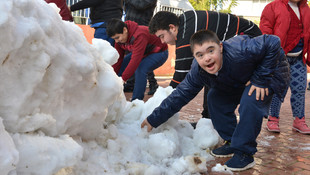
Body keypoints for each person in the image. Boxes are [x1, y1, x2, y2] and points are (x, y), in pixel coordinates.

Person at [141, 30, 290, 171]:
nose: (207, 58)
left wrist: (260, 79)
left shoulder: (239, 49)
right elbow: (180, 95)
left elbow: (273, 41)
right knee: (214, 98)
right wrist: (153, 120)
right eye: (200, 55)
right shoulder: (197, 71)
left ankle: (244, 153)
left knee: (250, 102)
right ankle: (232, 140)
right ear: (195, 57)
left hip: (269, 73)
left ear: (220, 47)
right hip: (239, 78)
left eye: (211, 51)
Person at [148, 10, 262, 125]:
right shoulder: (186, 20)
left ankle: (215, 123)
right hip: (247, 38)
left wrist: (163, 102)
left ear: (172, 28)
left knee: (216, 81)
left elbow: (180, 76)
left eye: (162, 36)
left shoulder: (185, 34)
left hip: (249, 43)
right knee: (209, 72)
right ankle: (209, 121)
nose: (162, 41)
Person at [260, 0, 310, 134]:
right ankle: (273, 118)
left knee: (300, 89)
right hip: (280, 57)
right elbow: (265, 31)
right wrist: (267, 54)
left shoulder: (306, 9)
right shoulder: (273, 7)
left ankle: (299, 120)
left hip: (299, 58)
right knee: (278, 89)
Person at [106, 19, 168, 101]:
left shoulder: (140, 34)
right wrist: (113, 77)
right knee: (123, 64)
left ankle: (136, 102)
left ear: (124, 30)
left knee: (140, 69)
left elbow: (135, 61)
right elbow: (118, 59)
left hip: (159, 52)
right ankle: (115, 97)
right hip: (144, 52)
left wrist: (123, 79)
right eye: (114, 39)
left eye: (117, 37)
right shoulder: (119, 40)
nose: (117, 41)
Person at [122, 0, 159, 95]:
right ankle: (130, 84)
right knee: (130, 56)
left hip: (142, 28)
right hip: (130, 27)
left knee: (143, 57)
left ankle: (153, 84)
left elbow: (141, 5)